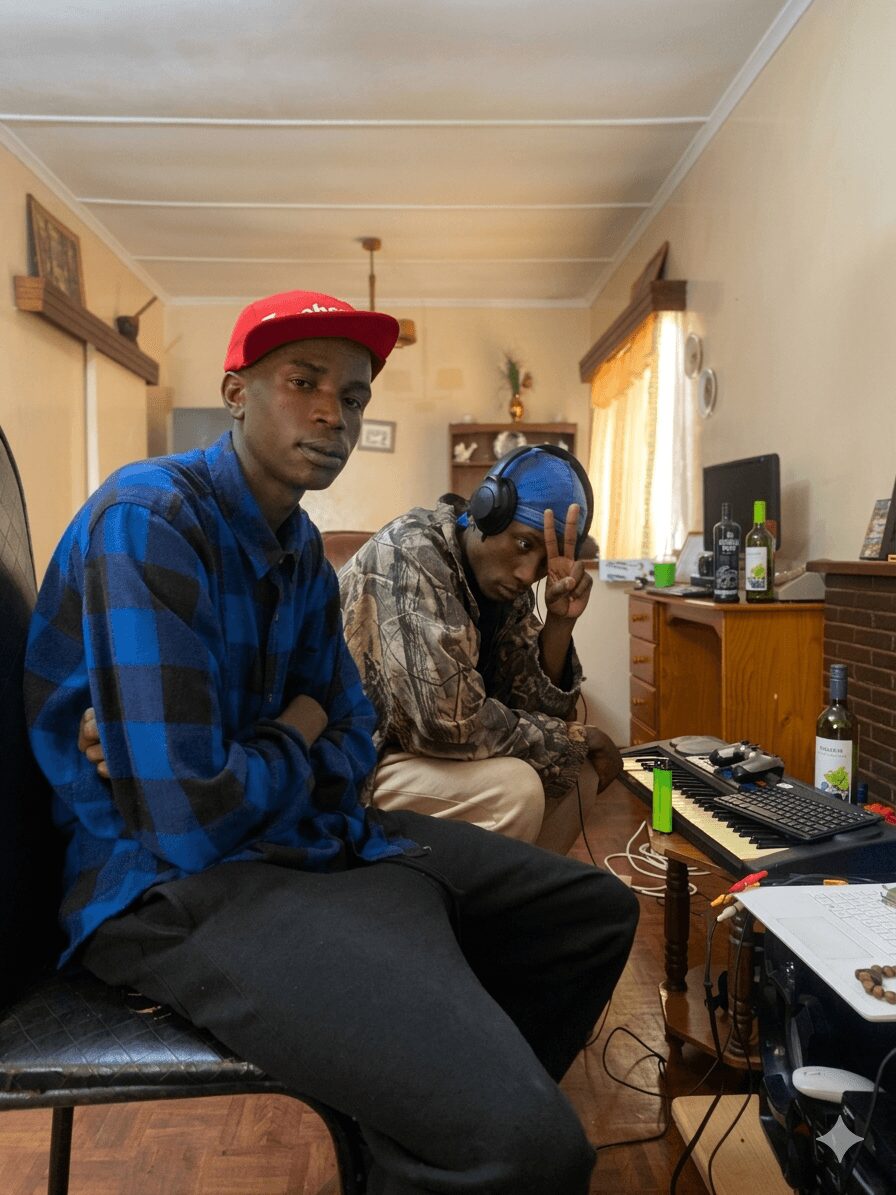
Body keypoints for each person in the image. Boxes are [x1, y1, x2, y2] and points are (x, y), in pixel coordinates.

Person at [24, 289, 639, 1195]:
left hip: (300, 837)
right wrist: (292, 729)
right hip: (162, 883)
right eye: (302, 381)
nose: (332, 412)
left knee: (590, 911)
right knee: (535, 1149)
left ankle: (427, 1136)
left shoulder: (302, 551)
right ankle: (482, 1135)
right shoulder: (151, 518)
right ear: (235, 391)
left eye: (351, 397)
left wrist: (255, 741)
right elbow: (189, 818)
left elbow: (352, 732)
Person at [338, 445, 622, 850]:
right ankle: (486, 901)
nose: (528, 574)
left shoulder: (505, 586)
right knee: (516, 788)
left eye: (543, 563)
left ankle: (519, 904)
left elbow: (532, 710)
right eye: (524, 545)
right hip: (362, 764)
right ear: (487, 511)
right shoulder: (409, 554)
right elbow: (446, 725)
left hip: (427, 758)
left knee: (580, 770)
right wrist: (574, 738)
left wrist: (560, 623)